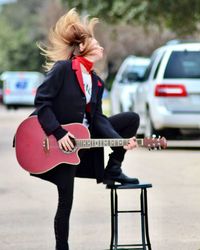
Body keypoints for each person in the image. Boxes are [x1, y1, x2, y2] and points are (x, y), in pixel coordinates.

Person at [31, 8, 140, 250]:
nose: (101, 47)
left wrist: (118, 141)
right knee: (66, 200)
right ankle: (62, 247)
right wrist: (58, 133)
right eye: (96, 43)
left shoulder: (97, 81)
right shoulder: (62, 70)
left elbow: (98, 118)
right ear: (81, 48)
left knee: (130, 119)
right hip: (61, 145)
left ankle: (114, 169)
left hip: (86, 139)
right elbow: (42, 103)